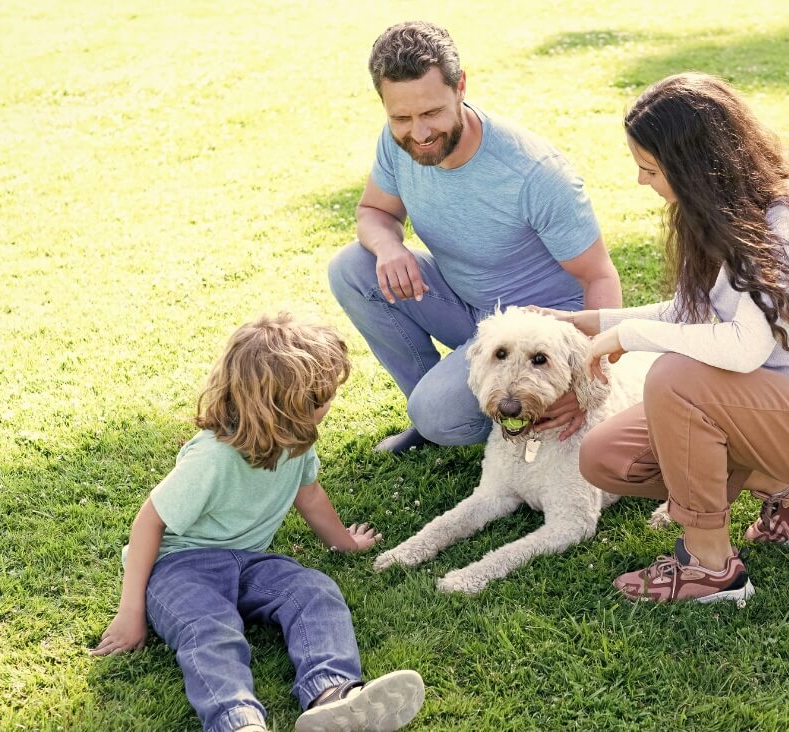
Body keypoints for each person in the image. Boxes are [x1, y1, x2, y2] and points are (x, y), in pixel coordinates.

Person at [548, 72, 789, 604]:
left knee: (677, 379)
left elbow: (743, 347)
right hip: (766, 405)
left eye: (650, 169)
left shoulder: (785, 215)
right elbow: (691, 312)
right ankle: (784, 483)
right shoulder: (713, 218)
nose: (643, 182)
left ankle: (712, 569)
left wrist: (629, 337)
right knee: (606, 459)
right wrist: (585, 324)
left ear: (692, 167)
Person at [90, 313, 425, 732]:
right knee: (212, 630)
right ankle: (238, 721)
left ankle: (332, 695)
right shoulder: (212, 458)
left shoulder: (296, 439)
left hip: (248, 561)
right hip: (179, 568)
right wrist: (130, 611)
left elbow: (310, 495)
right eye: (322, 398)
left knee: (315, 591)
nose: (329, 404)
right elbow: (148, 523)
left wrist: (345, 542)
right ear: (286, 405)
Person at [328, 20, 622, 454]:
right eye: (402, 117)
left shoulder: (533, 173)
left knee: (441, 414)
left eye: (431, 113)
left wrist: (590, 382)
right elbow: (374, 212)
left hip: (540, 330)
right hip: (469, 305)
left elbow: (600, 277)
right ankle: (428, 405)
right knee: (352, 268)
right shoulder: (397, 141)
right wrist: (389, 245)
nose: (420, 133)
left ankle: (463, 410)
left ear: (460, 85)